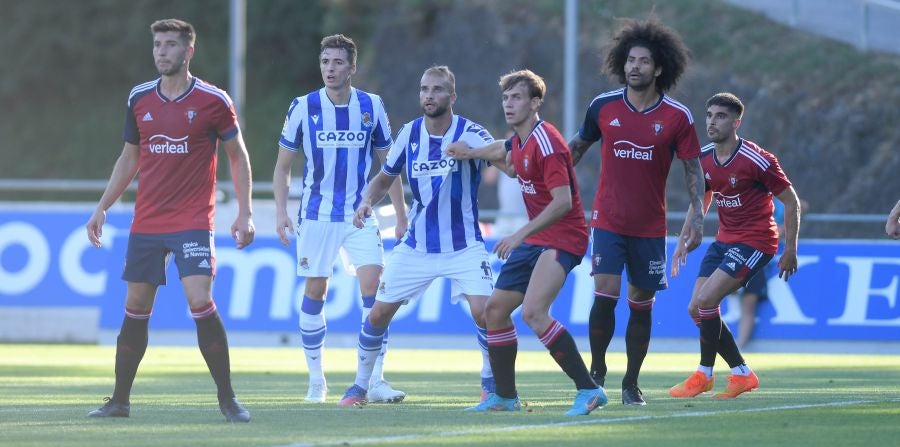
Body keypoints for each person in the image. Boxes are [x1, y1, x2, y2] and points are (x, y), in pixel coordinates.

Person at [84, 19, 254, 422]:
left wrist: (244, 212)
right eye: (158, 45)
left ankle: (228, 400)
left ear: (188, 51)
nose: (162, 51)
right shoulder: (139, 97)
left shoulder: (214, 100)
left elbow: (238, 156)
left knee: (199, 300)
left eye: (171, 45)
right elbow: (130, 157)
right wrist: (102, 205)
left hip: (194, 219)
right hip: (147, 222)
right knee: (136, 308)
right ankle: (120, 401)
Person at [336, 65, 496, 407]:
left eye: (437, 90)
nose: (429, 95)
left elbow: (505, 157)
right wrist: (366, 200)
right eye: (424, 89)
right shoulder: (409, 134)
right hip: (417, 244)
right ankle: (360, 387)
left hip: (464, 244)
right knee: (378, 313)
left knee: (487, 312)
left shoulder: (471, 131)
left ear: (452, 96)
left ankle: (490, 381)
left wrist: (474, 152)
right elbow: (385, 176)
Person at [449, 69, 606, 416]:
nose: (509, 103)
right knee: (494, 311)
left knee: (535, 313)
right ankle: (505, 396)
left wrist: (520, 233)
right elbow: (503, 153)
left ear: (536, 103)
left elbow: (563, 202)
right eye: (506, 98)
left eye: (517, 97)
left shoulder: (546, 141)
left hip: (564, 236)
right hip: (537, 236)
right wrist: (470, 152)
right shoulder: (519, 141)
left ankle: (589, 390)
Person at [567, 18, 705, 405]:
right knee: (604, 291)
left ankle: (631, 382)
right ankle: (596, 372)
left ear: (659, 67)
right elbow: (574, 150)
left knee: (641, 303)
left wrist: (696, 220)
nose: (635, 67)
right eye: (630, 60)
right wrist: (549, 186)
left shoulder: (677, 116)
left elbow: (694, 171)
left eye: (644, 61)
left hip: (649, 228)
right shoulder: (603, 106)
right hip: (608, 220)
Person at [273, 34, 407, 404]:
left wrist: (400, 212)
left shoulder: (372, 105)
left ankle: (374, 380)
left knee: (375, 290)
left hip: (360, 215)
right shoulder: (303, 106)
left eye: (337, 63)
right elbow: (283, 165)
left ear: (352, 67)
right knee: (316, 292)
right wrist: (282, 211)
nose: (329, 69)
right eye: (325, 62)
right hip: (316, 216)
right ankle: (317, 381)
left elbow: (389, 164)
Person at [668, 92, 800, 399]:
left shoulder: (758, 160)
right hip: (724, 239)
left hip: (756, 240)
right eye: (709, 115)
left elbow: (791, 202)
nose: (712, 122)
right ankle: (741, 373)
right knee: (696, 307)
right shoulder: (702, 158)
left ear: (736, 122)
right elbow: (701, 196)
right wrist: (687, 236)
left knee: (706, 300)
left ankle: (704, 374)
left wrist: (790, 249)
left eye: (721, 116)